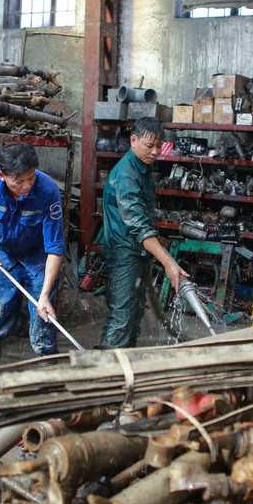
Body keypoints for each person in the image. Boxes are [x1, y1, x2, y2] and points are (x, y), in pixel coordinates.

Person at [0, 143, 65, 368]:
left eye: (31, 178)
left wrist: (44, 295)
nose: (27, 186)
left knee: (43, 323)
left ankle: (49, 379)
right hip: (6, 257)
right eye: (19, 181)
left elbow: (54, 246)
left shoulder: (48, 191)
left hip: (39, 260)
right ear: (2, 176)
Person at [99, 116, 188, 348]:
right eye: (150, 146)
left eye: (159, 146)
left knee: (134, 313)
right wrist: (169, 263)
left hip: (137, 251)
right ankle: (106, 365)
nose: (155, 151)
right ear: (133, 141)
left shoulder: (143, 168)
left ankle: (125, 360)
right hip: (124, 254)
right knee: (122, 318)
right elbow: (139, 227)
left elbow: (144, 217)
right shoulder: (126, 175)